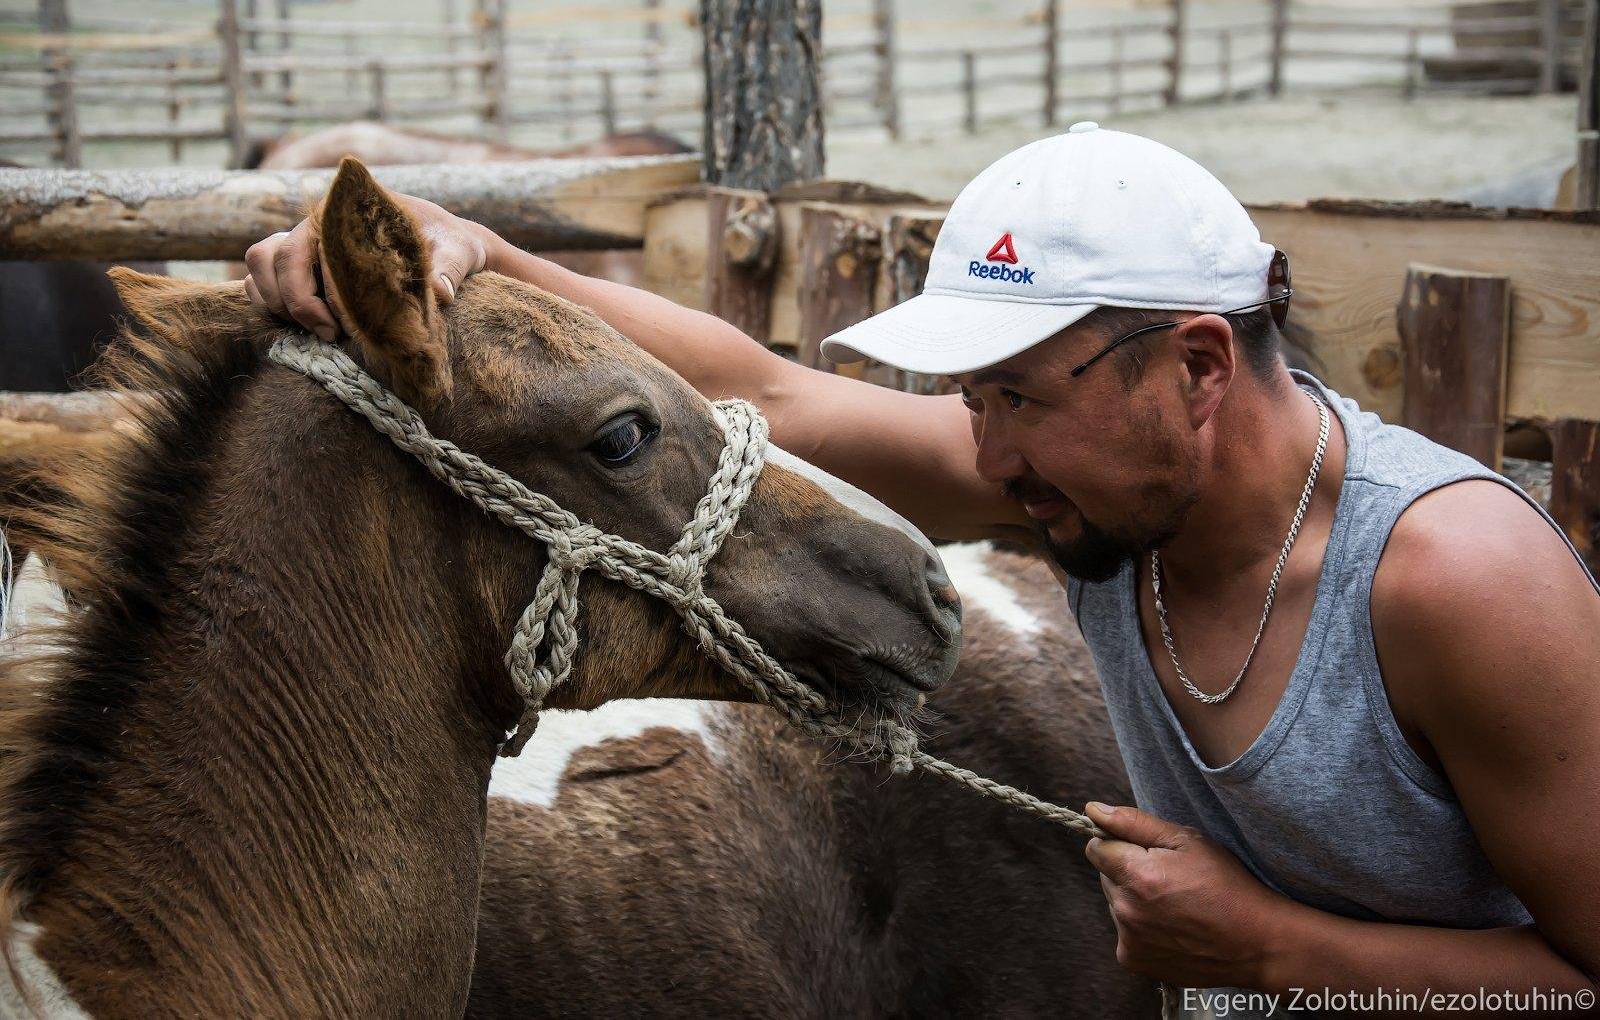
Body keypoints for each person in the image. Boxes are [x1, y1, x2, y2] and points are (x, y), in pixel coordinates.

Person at [245, 122, 1599, 1009]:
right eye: (972, 400)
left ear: (1194, 368)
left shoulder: (1453, 585)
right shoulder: (1107, 492)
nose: (984, 453)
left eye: (1016, 394)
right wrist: (488, 265)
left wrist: (1275, 952)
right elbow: (770, 390)